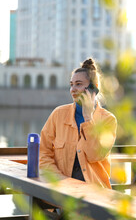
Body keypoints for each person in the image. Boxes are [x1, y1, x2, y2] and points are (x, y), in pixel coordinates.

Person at [39, 58, 117, 188]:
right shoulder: (58, 114)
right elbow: (43, 152)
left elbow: (95, 155)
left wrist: (88, 118)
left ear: (93, 88)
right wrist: (58, 179)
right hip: (61, 190)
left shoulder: (108, 120)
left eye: (79, 84)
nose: (73, 89)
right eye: (71, 84)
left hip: (94, 193)